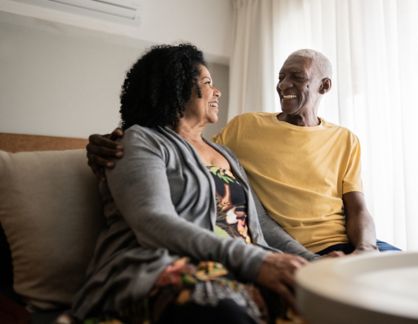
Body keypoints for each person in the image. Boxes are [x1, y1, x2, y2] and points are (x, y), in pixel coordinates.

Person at [71, 43, 310, 324]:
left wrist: (313, 263)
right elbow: (153, 221)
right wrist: (254, 262)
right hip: (162, 265)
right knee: (223, 309)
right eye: (208, 83)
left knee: (321, 303)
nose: (217, 91)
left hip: (241, 265)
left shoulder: (225, 154)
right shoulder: (139, 141)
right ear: (177, 88)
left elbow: (263, 225)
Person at [87, 49, 400, 257]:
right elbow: (182, 146)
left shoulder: (346, 139)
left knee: (412, 275)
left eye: (297, 78)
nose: (283, 85)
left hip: (339, 245)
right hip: (288, 250)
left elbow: (358, 208)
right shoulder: (244, 127)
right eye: (281, 76)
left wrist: (366, 248)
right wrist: (115, 139)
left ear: (325, 85)